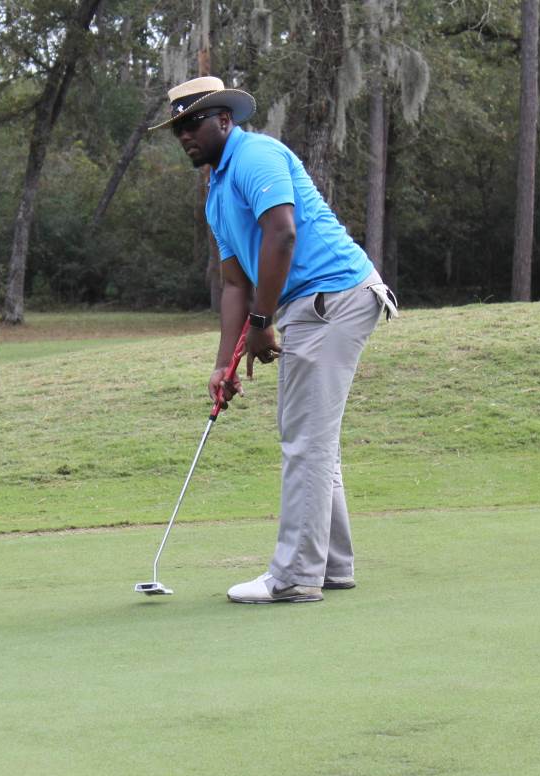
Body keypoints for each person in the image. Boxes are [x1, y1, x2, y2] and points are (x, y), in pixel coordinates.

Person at [150, 76, 398, 604]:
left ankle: (294, 577)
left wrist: (264, 323)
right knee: (312, 439)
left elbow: (282, 234)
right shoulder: (217, 194)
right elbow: (236, 284)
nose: (186, 136)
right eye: (178, 129)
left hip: (334, 297)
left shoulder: (257, 155)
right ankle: (330, 566)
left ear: (224, 120)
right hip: (312, 304)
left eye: (193, 123)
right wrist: (225, 363)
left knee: (304, 441)